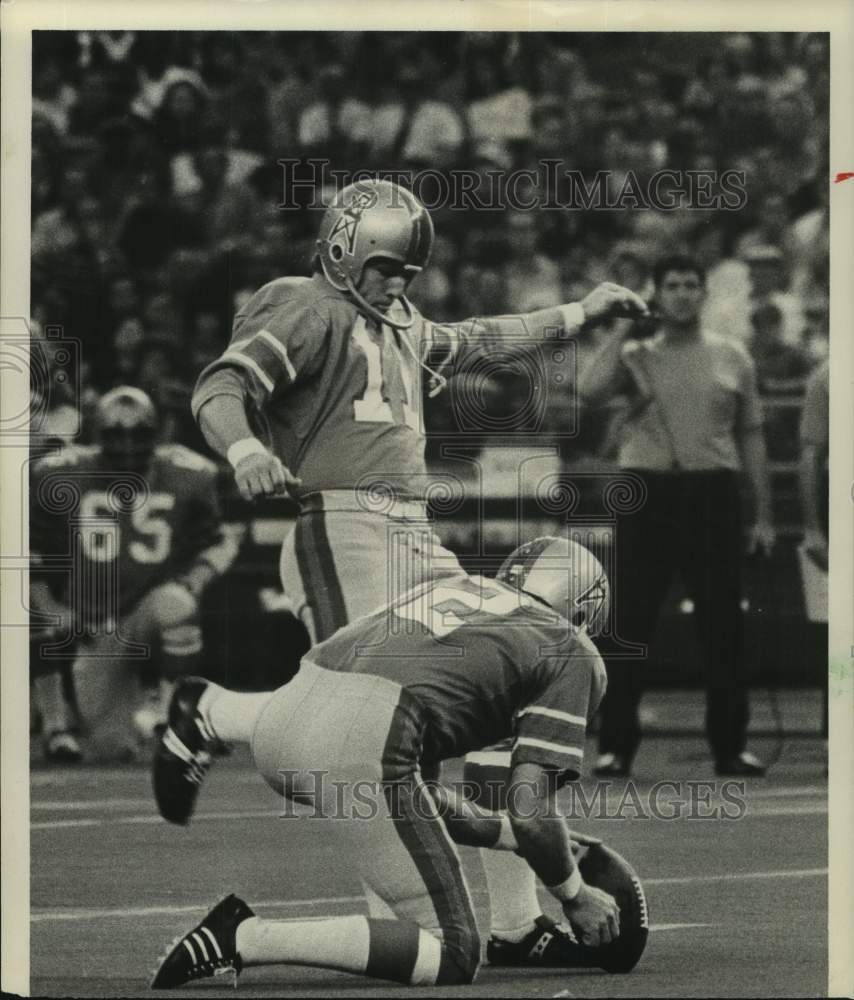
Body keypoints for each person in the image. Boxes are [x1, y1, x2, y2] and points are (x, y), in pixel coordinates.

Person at [189, 178, 648, 960]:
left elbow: (483, 338)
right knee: (362, 731)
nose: (397, 284)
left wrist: (580, 312)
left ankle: (510, 924)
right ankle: (214, 718)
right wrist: (245, 449)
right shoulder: (303, 303)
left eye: (407, 272)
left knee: (485, 696)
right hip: (343, 523)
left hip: (411, 534)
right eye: (385, 267)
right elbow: (220, 384)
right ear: (340, 248)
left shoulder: (396, 320)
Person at [150, 538, 648, 989]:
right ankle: (246, 938)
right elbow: (532, 809)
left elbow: (420, 802)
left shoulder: (452, 589)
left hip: (283, 715)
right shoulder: (568, 646)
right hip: (366, 732)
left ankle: (213, 712)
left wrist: (509, 839)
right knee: (453, 952)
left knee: (406, 802)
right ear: (583, 607)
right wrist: (574, 893)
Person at [579, 255, 774, 778]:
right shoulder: (636, 354)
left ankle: (730, 745)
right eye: (672, 286)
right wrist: (622, 327)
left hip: (711, 492)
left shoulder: (731, 356)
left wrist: (764, 516)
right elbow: (590, 390)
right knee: (631, 621)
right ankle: (616, 744)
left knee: (721, 624)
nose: (683, 295)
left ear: (704, 293)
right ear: (657, 294)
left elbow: (751, 437)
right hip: (647, 491)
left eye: (692, 285)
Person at [30, 386, 237, 762]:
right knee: (112, 747)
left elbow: (220, 543)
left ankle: (170, 714)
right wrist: (52, 606)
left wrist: (195, 580)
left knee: (176, 603)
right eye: (116, 435)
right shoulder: (59, 475)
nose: (127, 445)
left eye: (138, 434)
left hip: (144, 612)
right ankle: (76, 720)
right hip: (94, 631)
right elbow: (28, 556)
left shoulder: (185, 473)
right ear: (97, 435)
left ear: (155, 435)